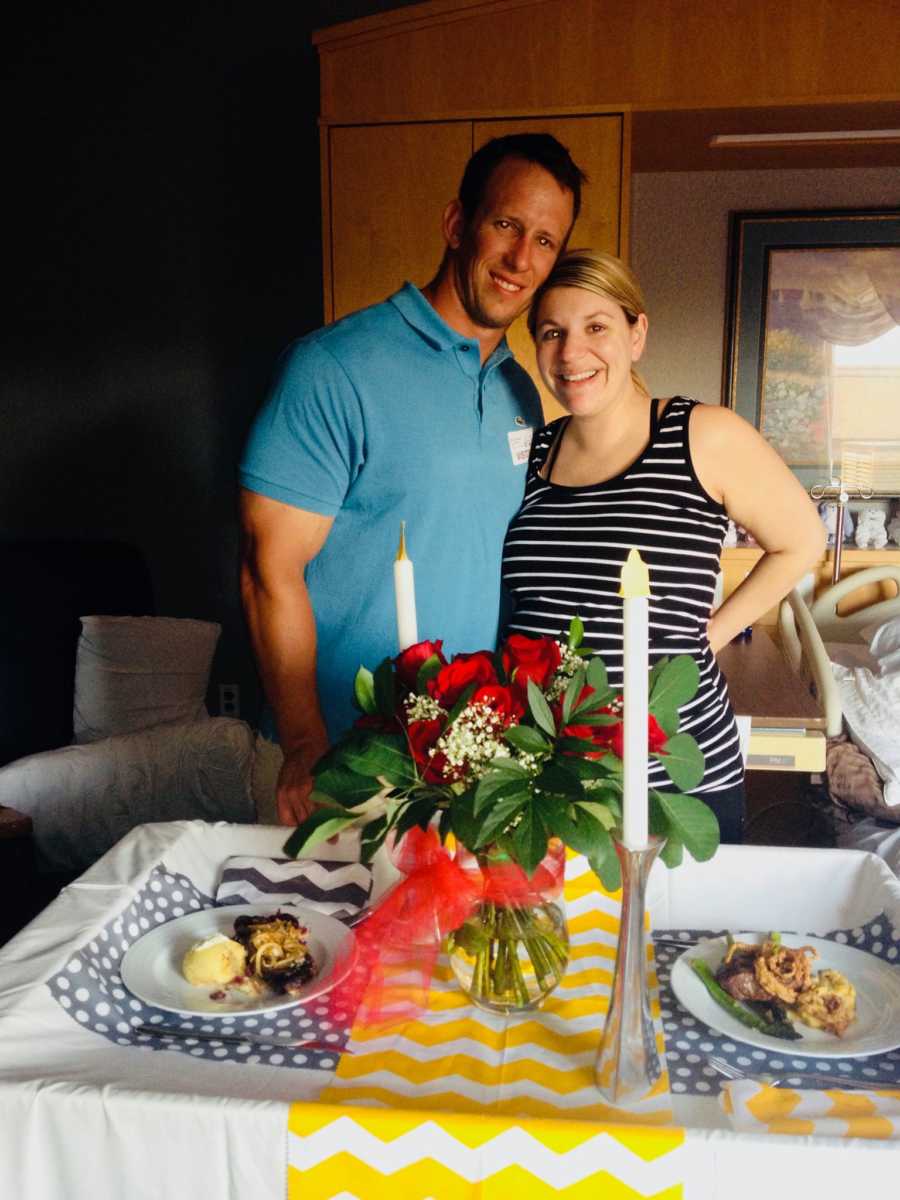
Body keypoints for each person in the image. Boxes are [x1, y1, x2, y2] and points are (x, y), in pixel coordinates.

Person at [240, 134, 587, 825]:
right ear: (458, 224)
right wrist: (306, 743)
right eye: (507, 225)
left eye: (546, 241)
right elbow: (266, 568)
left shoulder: (521, 389)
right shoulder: (333, 368)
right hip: (346, 758)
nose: (523, 259)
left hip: (470, 759)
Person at [502, 250, 826, 842]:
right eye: (553, 333)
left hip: (673, 775)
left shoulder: (699, 435)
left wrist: (710, 632)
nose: (572, 352)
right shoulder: (532, 454)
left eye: (596, 327)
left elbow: (803, 540)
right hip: (549, 778)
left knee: (679, 937)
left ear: (636, 333)